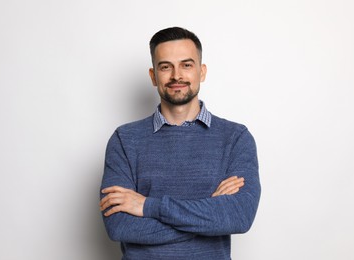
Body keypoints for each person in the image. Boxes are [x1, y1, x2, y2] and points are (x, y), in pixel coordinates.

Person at [99, 27, 261, 260]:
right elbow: (119, 226)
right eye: (165, 66)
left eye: (186, 65)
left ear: (201, 72)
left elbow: (238, 217)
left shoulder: (235, 138)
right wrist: (208, 214)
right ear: (153, 76)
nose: (177, 76)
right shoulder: (125, 139)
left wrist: (147, 207)